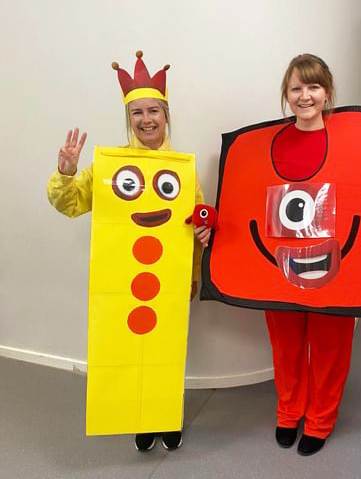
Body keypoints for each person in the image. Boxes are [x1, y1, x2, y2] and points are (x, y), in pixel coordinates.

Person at [195, 53, 361, 456]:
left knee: (330, 348)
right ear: (286, 95)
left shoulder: (358, 140)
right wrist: (217, 230)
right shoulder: (261, 147)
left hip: (336, 268)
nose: (305, 95)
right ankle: (288, 412)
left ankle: (320, 420)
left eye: (313, 86)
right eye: (296, 87)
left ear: (327, 93)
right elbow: (245, 200)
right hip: (279, 266)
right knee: (286, 346)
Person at [48, 51, 204, 452]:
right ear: (128, 118)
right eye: (137, 113)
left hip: (168, 279)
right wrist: (66, 171)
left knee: (166, 349)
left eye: (154, 110)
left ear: (166, 115)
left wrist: (197, 259)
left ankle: (166, 415)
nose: (146, 119)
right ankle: (138, 418)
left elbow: (196, 220)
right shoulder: (110, 166)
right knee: (127, 346)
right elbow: (71, 204)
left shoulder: (182, 168)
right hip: (120, 280)